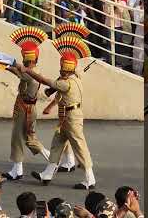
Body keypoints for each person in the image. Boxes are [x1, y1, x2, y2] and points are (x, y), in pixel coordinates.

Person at [23, 27, 96, 189]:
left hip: (72, 117)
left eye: (62, 68)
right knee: (57, 144)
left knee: (80, 147)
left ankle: (90, 179)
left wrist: (28, 71)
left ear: (67, 69)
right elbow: (58, 84)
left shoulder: (66, 83)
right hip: (67, 117)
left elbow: (47, 81)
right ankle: (47, 174)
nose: (60, 70)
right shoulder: (76, 78)